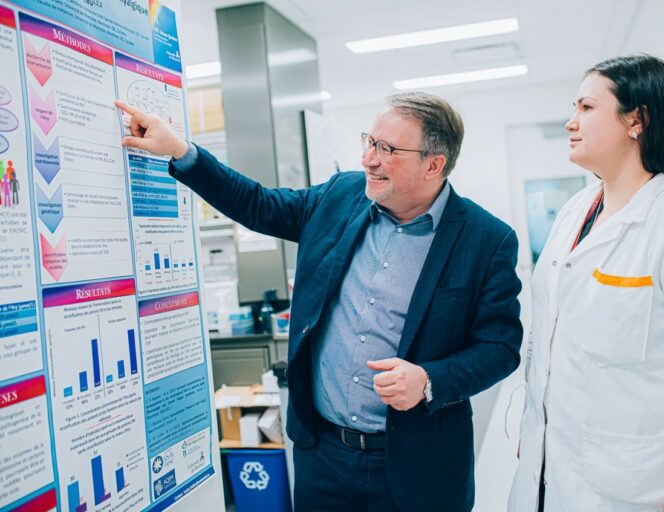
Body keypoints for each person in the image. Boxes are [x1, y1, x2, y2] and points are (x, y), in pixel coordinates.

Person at [116, 92, 524, 511]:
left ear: (433, 164)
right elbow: (257, 204)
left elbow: (500, 348)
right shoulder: (340, 197)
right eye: (369, 142)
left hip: (420, 464)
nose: (369, 159)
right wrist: (182, 152)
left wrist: (428, 379)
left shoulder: (486, 240)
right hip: (324, 455)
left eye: (387, 150)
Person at [509, 54, 664, 512]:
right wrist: (537, 436)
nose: (571, 122)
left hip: (650, 488)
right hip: (557, 471)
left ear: (637, 120)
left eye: (587, 108)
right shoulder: (576, 212)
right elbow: (549, 345)